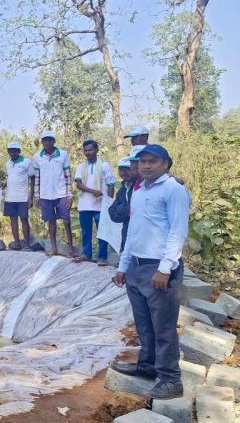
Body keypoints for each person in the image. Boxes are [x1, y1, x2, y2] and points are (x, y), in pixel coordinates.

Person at [111, 144, 191, 400]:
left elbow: (178, 231)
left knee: (163, 327)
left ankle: (170, 379)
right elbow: (133, 232)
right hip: (136, 267)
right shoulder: (138, 191)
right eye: (142, 161)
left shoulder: (174, 191)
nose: (145, 166)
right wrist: (123, 266)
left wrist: (165, 268)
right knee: (144, 324)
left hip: (159, 269)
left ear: (165, 164)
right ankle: (147, 367)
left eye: (152, 161)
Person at [33, 131, 75, 257]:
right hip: (45, 195)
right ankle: (54, 248)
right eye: (45, 140)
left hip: (61, 194)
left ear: (54, 141)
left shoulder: (63, 154)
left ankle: (71, 249)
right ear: (42, 142)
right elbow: (37, 178)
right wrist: (37, 196)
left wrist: (69, 195)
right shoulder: (37, 157)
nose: (47, 142)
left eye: (50, 140)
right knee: (51, 221)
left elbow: (68, 176)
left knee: (66, 221)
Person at [74, 140, 116, 265]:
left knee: (102, 232)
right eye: (85, 150)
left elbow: (111, 185)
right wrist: (93, 191)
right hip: (84, 204)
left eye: (90, 150)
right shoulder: (81, 167)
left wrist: (108, 203)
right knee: (85, 231)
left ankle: (102, 257)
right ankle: (87, 254)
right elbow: (78, 184)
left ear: (97, 150)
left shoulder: (105, 166)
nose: (88, 152)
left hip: (101, 205)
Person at [4, 141, 35, 251]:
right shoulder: (7, 164)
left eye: (15, 151)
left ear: (19, 151)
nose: (13, 153)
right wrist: (4, 184)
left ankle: (27, 245)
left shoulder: (27, 162)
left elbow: (33, 178)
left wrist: (31, 197)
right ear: (8, 152)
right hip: (9, 197)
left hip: (23, 197)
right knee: (13, 221)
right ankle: (17, 243)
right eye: (10, 151)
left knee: (24, 220)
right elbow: (11, 178)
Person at [109, 157, 138, 252]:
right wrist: (125, 211)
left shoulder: (140, 187)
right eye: (121, 169)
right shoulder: (123, 189)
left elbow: (137, 211)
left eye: (127, 169)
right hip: (126, 234)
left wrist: (122, 210)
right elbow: (112, 213)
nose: (123, 173)